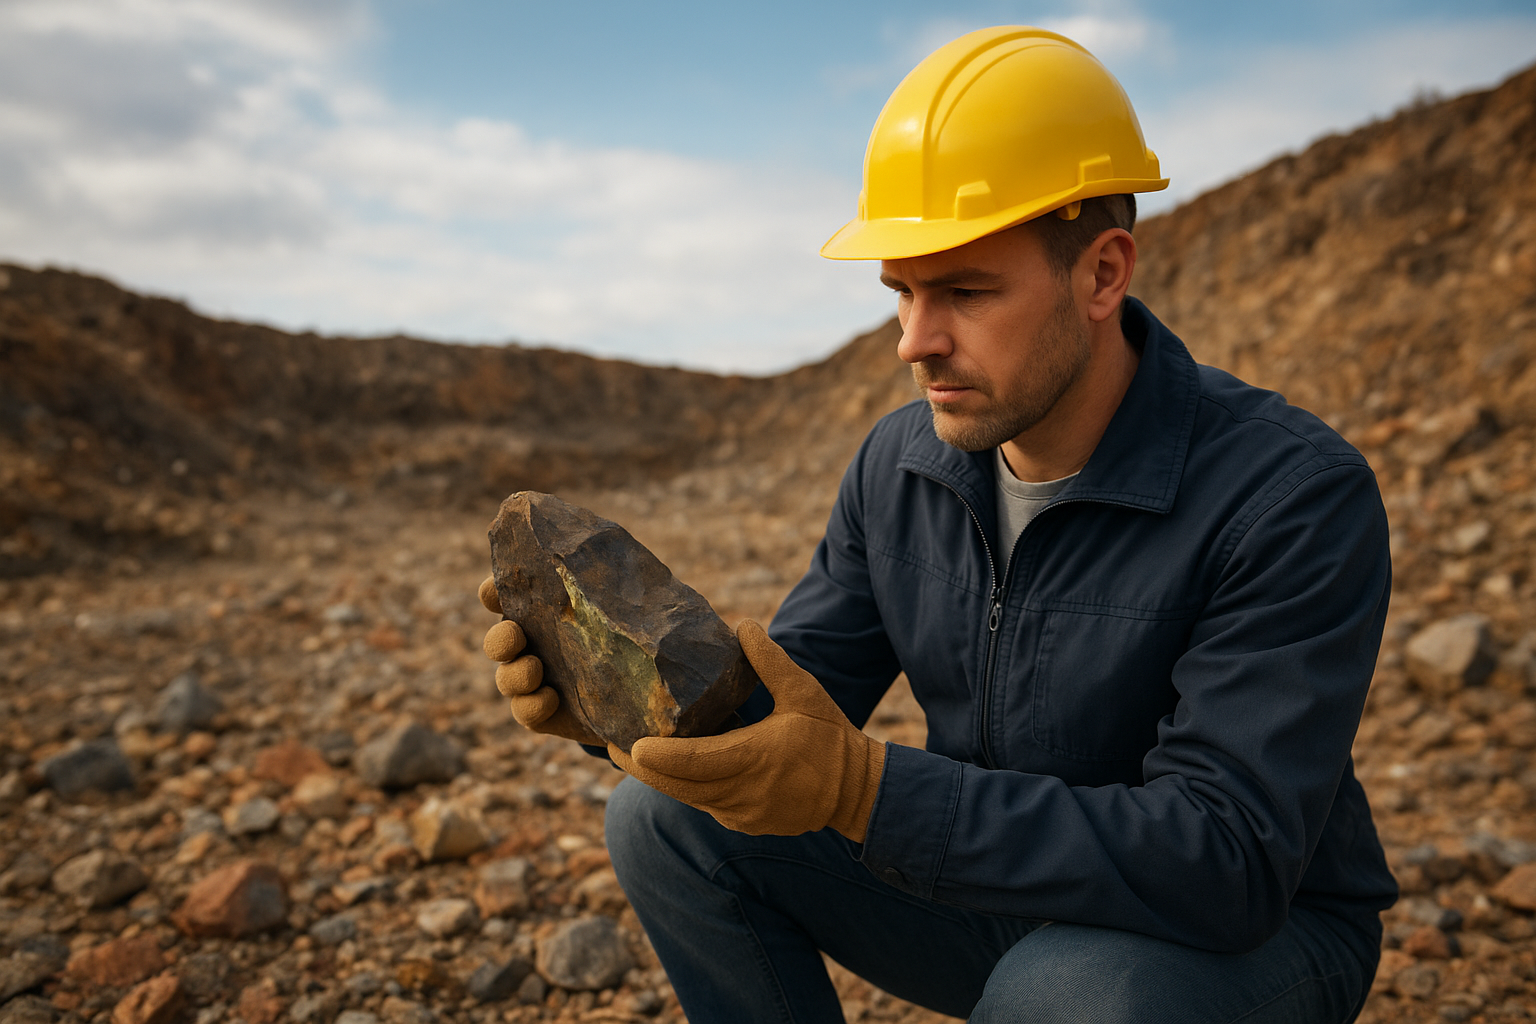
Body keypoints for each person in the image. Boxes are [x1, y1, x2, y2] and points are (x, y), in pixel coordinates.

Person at [480, 26, 1396, 1023]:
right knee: (661, 818)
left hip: (1241, 938)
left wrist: (868, 790)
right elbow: (787, 718)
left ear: (1101, 275)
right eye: (903, 293)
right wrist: (620, 709)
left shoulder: (1289, 494)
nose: (916, 342)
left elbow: (1228, 858)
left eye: (964, 290)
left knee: (1060, 994)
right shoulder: (898, 466)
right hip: (999, 889)